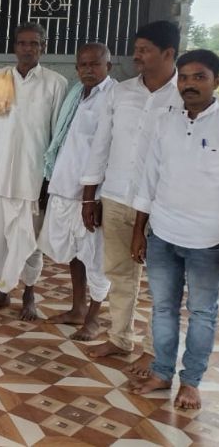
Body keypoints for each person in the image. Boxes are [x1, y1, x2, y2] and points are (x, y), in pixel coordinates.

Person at [80, 21, 181, 376]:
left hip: (162, 205)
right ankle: (120, 338)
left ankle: (154, 351)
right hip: (116, 196)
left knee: (162, 284)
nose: (136, 55)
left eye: (144, 50)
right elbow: (101, 145)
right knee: (120, 274)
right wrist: (89, 197)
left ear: (168, 53)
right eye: (136, 48)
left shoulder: (182, 97)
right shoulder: (121, 92)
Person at [128, 49, 219, 410]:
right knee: (163, 309)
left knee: (202, 313)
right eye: (184, 77)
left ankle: (191, 382)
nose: (189, 84)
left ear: (216, 81)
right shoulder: (166, 122)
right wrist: (140, 230)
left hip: (208, 240)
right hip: (163, 233)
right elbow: (149, 178)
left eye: (199, 77)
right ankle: (162, 373)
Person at [0, 23, 67, 320]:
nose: (28, 49)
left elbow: (56, 138)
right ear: (14, 46)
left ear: (43, 47)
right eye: (23, 43)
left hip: (33, 179)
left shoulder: (55, 83)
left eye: (34, 43)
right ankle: (2, 291)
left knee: (29, 241)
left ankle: (29, 293)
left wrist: (49, 180)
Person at [36, 43, 114, 340]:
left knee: (95, 256)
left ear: (108, 66)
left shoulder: (112, 98)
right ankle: (77, 307)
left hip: (92, 194)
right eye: (83, 64)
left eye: (95, 64)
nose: (88, 70)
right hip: (65, 186)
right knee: (74, 252)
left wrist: (94, 197)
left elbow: (108, 151)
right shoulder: (76, 95)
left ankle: (93, 318)